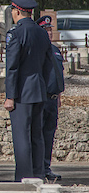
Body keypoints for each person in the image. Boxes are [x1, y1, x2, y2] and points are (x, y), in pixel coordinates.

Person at [4, 0, 50, 181]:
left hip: (22, 92)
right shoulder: (41, 32)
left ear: (16, 12)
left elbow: (12, 67)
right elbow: (48, 64)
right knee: (37, 135)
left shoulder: (16, 33)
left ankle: (24, 176)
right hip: (39, 89)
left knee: (22, 135)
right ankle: (38, 173)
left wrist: (10, 96)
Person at [37, 15, 65, 182]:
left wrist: (59, 95)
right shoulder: (37, 50)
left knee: (49, 134)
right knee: (39, 134)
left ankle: (46, 167)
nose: (49, 32)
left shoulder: (55, 50)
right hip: (42, 98)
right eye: (46, 30)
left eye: (50, 29)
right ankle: (38, 168)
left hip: (53, 98)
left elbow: (58, 74)